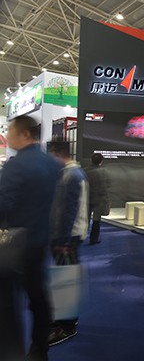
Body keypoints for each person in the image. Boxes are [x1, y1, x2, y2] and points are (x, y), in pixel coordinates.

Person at [0, 115, 61, 361]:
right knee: (38, 298)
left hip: (13, 245)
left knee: (6, 303)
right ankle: (39, 350)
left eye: (10, 131)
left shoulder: (16, 166)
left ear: (25, 134)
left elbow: (2, 205)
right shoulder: (53, 164)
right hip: (41, 241)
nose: (7, 136)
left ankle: (11, 353)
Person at [47, 138, 89, 346]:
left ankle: (67, 326)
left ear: (57, 153)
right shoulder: (69, 173)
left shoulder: (72, 175)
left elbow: (68, 212)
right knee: (63, 278)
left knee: (66, 280)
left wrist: (62, 240)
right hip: (66, 236)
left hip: (68, 237)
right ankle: (62, 319)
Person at [84, 153, 110, 244]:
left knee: (84, 219)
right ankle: (94, 238)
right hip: (99, 199)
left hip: (87, 198)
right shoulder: (104, 172)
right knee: (96, 220)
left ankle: (80, 236)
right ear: (101, 161)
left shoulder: (84, 171)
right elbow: (107, 185)